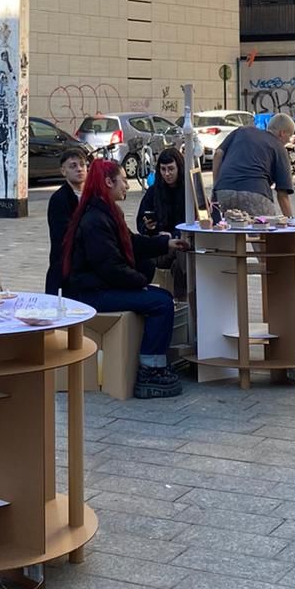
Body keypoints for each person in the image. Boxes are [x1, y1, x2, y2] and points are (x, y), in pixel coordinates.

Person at [61, 158, 186, 399]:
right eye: (124, 181)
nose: (127, 186)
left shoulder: (105, 211)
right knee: (160, 302)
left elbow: (131, 242)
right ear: (109, 182)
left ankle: (154, 363)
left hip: (98, 286)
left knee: (160, 297)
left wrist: (165, 243)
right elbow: (110, 267)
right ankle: (150, 370)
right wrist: (140, 282)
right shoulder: (96, 218)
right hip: (91, 293)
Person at [211, 113, 295, 217]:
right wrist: (291, 222)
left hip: (224, 191)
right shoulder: (279, 148)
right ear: (282, 133)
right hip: (256, 194)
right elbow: (283, 195)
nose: (289, 140)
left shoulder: (242, 131)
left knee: (227, 229)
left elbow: (218, 153)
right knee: (264, 229)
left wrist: (216, 185)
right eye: (290, 135)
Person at [136, 144, 188, 300]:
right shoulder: (154, 191)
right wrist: (148, 227)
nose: (167, 174)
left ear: (179, 168)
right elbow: (140, 223)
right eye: (163, 169)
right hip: (159, 244)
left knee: (181, 259)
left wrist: (172, 235)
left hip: (180, 241)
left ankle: (181, 301)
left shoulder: (187, 190)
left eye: (171, 169)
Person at [45, 148, 88, 295]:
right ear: (63, 171)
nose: (79, 169)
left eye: (82, 165)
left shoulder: (94, 196)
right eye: (73, 166)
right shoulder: (59, 199)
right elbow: (63, 235)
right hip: (65, 267)